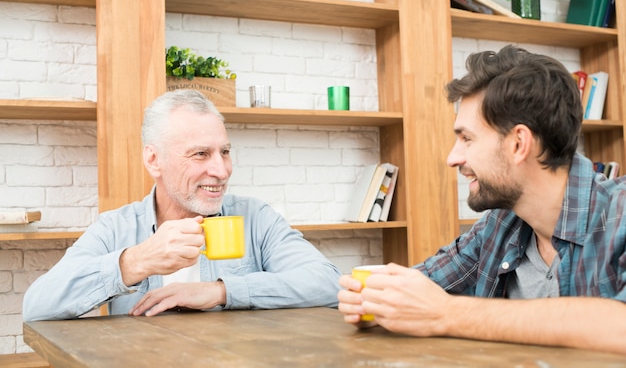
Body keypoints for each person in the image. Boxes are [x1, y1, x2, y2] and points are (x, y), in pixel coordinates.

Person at [337, 45, 626, 355]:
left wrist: (446, 314)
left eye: (467, 139)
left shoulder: (619, 213)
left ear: (518, 143)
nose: (452, 158)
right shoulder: (500, 225)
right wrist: (378, 300)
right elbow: (420, 290)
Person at [23, 89, 341, 321]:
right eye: (201, 154)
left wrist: (221, 291)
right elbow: (37, 307)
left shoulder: (255, 218)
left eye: (225, 152)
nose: (222, 170)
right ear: (154, 159)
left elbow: (329, 283)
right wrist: (135, 262)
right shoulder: (115, 228)